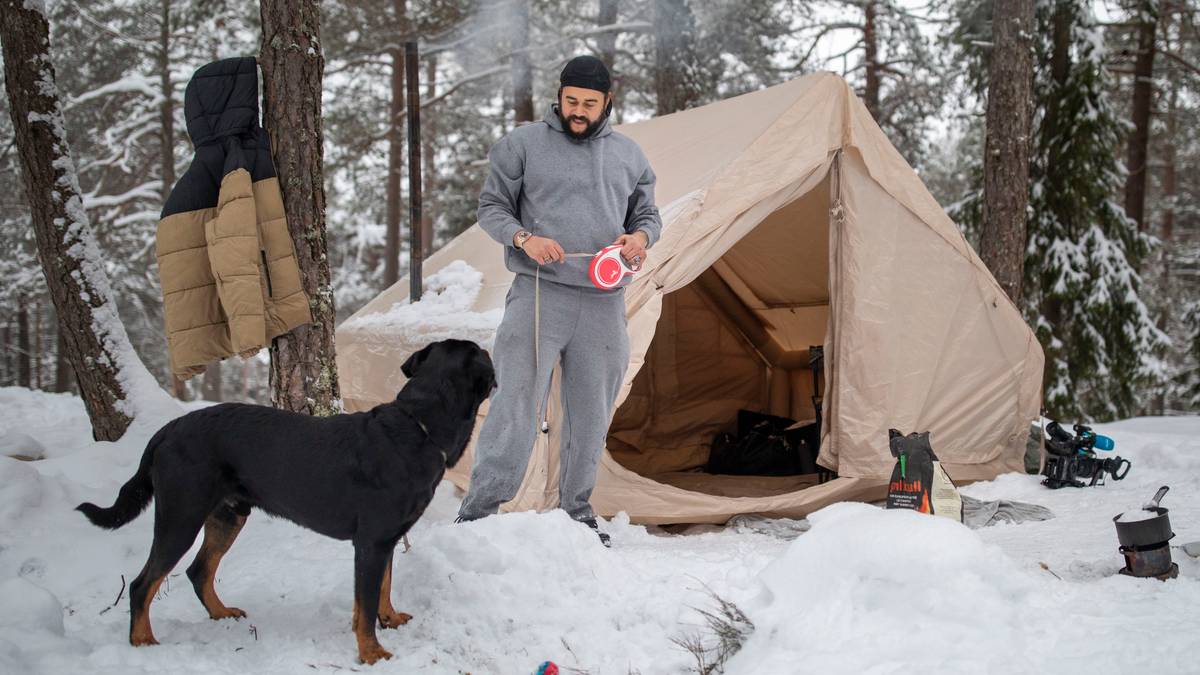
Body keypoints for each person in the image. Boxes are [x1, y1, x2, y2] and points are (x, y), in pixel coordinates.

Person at [456, 55, 662, 547]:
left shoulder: (630, 156)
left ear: (607, 102)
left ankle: (577, 515)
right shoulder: (522, 144)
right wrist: (524, 238)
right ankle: (478, 514)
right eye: (571, 100)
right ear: (560, 95)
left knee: (591, 410)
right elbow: (491, 208)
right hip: (538, 293)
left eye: (589, 103)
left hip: (603, 300)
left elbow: (648, 216)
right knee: (515, 404)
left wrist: (640, 238)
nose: (578, 110)